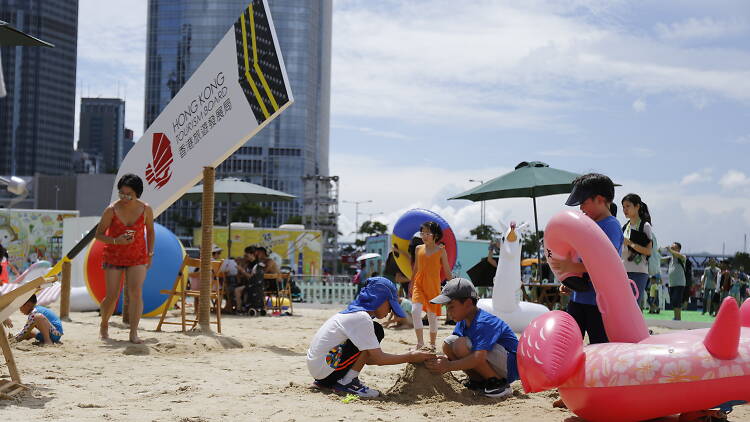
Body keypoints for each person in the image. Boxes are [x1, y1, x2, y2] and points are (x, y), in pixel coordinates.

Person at [306, 277, 434, 398]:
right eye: (390, 306)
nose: (390, 311)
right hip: (326, 371)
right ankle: (346, 382)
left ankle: (332, 382)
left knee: (374, 331)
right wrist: (411, 357)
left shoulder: (353, 313)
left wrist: (407, 356)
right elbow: (379, 359)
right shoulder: (361, 318)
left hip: (321, 371)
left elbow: (368, 358)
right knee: (377, 330)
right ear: (380, 299)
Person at [550, 173, 623, 345]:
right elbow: (583, 257)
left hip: (599, 302)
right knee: (569, 342)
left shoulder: (610, 226)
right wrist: (572, 281)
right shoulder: (589, 225)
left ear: (599, 199)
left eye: (583, 202)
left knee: (600, 343)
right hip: (579, 297)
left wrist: (572, 268)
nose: (581, 208)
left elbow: (606, 264)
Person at [425, 278, 518, 399]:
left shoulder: (483, 322)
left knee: (459, 344)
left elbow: (478, 357)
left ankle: (498, 383)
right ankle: (479, 381)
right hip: (496, 361)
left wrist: (448, 366)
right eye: (446, 307)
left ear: (468, 303)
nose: (448, 312)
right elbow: (457, 352)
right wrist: (444, 360)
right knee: (448, 344)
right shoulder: (464, 320)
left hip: (510, 366)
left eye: (451, 307)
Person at [95, 173, 155, 344]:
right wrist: (116, 240)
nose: (125, 197)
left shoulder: (146, 209)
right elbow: (98, 235)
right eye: (121, 193)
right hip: (113, 255)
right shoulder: (111, 210)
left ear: (137, 194)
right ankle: (104, 324)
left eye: (129, 194)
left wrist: (150, 253)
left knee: (136, 293)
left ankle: (133, 333)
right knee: (112, 296)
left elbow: (150, 232)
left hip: (137, 256)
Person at [411, 221, 451, 351]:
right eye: (422, 233)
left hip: (433, 287)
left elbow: (447, 271)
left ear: (436, 235)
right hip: (419, 285)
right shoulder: (418, 249)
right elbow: (416, 268)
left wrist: (454, 285)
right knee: (415, 311)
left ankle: (432, 344)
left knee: (432, 317)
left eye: (428, 233)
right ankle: (420, 342)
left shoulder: (441, 251)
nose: (424, 235)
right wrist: (411, 283)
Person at [620, 193, 653, 310]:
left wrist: (630, 243)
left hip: (638, 271)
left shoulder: (645, 226)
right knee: (624, 305)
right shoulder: (625, 227)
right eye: (623, 207)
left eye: (628, 206)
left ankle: (635, 328)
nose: (625, 210)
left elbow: (649, 251)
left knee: (634, 306)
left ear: (637, 206)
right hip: (624, 271)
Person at [662, 242, 687, 321]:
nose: (672, 248)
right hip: (671, 283)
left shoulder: (682, 257)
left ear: (679, 249)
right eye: (671, 247)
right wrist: (658, 251)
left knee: (677, 300)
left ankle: (678, 318)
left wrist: (669, 249)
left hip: (679, 283)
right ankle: (676, 317)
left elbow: (677, 254)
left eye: (674, 247)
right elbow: (659, 259)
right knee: (673, 301)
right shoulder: (670, 258)